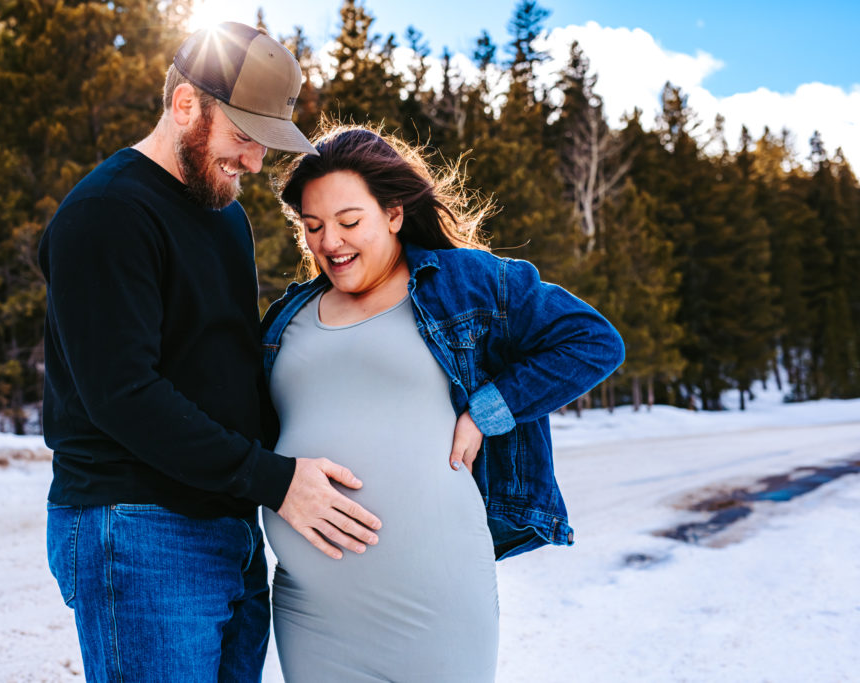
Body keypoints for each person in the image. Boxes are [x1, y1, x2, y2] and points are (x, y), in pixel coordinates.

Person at [39, 24, 380, 682]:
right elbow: (124, 396)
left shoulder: (225, 215)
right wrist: (276, 481)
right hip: (137, 529)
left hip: (230, 520)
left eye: (264, 142)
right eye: (244, 137)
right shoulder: (107, 213)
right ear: (186, 105)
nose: (253, 162)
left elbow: (231, 368)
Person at [259, 125, 626, 682]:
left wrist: (488, 409)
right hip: (312, 610)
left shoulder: (462, 285)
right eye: (312, 227)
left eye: (349, 222)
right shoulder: (287, 319)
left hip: (434, 603)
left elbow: (594, 340)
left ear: (395, 214)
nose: (329, 241)